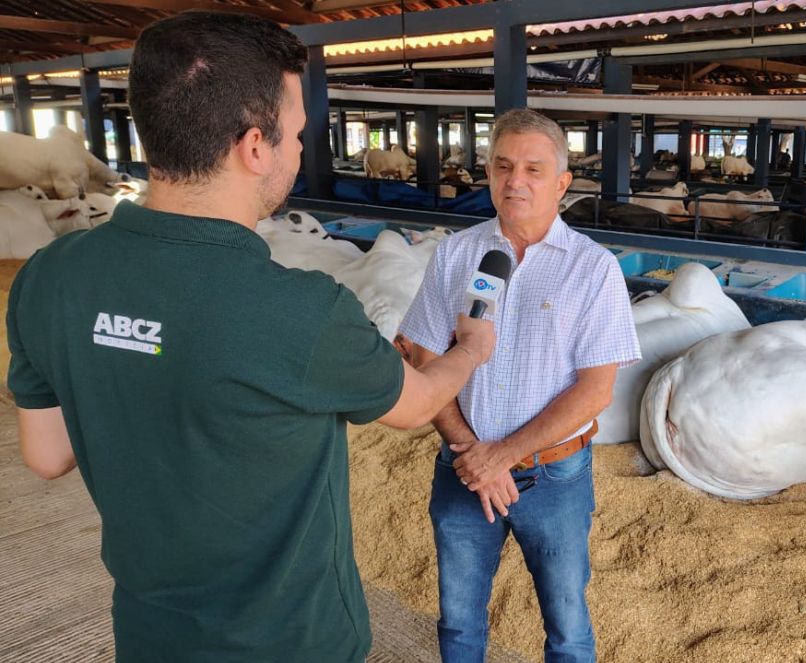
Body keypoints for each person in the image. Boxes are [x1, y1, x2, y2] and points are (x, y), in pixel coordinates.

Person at [7, 11, 494, 662]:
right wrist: (471, 349)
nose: (299, 151)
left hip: (151, 635)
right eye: (297, 134)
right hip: (294, 642)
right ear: (255, 145)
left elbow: (46, 454)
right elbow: (414, 404)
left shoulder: (48, 277)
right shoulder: (302, 310)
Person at [399, 108, 641, 662]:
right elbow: (425, 358)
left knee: (567, 628)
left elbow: (594, 390)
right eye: (504, 166)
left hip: (554, 477)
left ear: (561, 183)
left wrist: (501, 457)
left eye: (534, 169)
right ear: (487, 173)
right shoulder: (457, 255)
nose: (516, 181)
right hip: (461, 469)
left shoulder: (594, 268)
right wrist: (471, 453)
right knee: (459, 624)